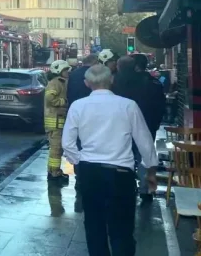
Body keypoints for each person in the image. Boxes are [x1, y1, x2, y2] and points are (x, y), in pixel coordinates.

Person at [62, 64, 159, 256]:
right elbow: (145, 141)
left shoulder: (77, 106)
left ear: (87, 83)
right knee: (122, 229)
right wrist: (150, 171)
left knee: (94, 226)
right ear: (112, 80)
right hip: (121, 174)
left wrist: (78, 161)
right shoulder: (128, 105)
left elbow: (68, 143)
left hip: (90, 172)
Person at [112, 55, 165, 204]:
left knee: (126, 157)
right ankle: (145, 189)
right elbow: (160, 106)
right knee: (144, 157)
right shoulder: (153, 83)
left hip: (124, 127)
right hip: (148, 127)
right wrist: (155, 124)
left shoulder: (119, 82)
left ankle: (125, 187)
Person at [66, 53, 99, 189]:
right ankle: (91, 175)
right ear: (94, 62)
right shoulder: (94, 74)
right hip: (93, 113)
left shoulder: (73, 74)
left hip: (76, 112)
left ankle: (79, 176)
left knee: (78, 143)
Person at [45, 59, 70, 184]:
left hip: (58, 120)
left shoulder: (61, 82)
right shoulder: (55, 82)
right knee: (56, 149)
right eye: (65, 70)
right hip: (54, 121)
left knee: (57, 149)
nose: (67, 72)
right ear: (59, 71)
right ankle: (54, 173)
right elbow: (50, 98)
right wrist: (64, 102)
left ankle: (52, 170)